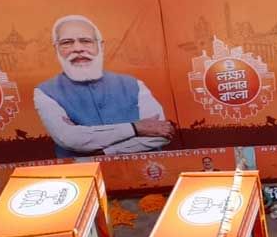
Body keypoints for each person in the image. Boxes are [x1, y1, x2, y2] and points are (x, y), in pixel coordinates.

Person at [34, 15, 175, 158]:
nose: (77, 48)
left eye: (86, 41)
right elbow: (69, 138)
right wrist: (135, 128)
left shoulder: (134, 85)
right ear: (56, 49)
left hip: (143, 172)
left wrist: (106, 152)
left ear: (100, 46)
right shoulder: (45, 92)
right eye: (67, 43)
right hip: (84, 175)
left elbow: (161, 133)